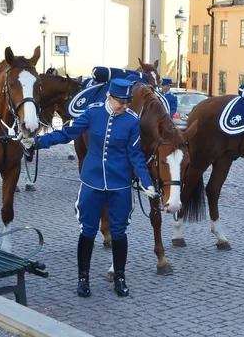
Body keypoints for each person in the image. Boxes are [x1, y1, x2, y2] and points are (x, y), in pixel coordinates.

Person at [21, 78, 157, 297]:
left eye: (128, 102)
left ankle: (120, 277)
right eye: (121, 101)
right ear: (109, 97)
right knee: (88, 231)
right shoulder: (92, 113)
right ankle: (83, 278)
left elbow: (135, 155)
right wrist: (38, 143)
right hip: (91, 182)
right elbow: (67, 134)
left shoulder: (132, 121)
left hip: (120, 185)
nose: (125, 106)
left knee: (119, 232)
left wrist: (146, 181)